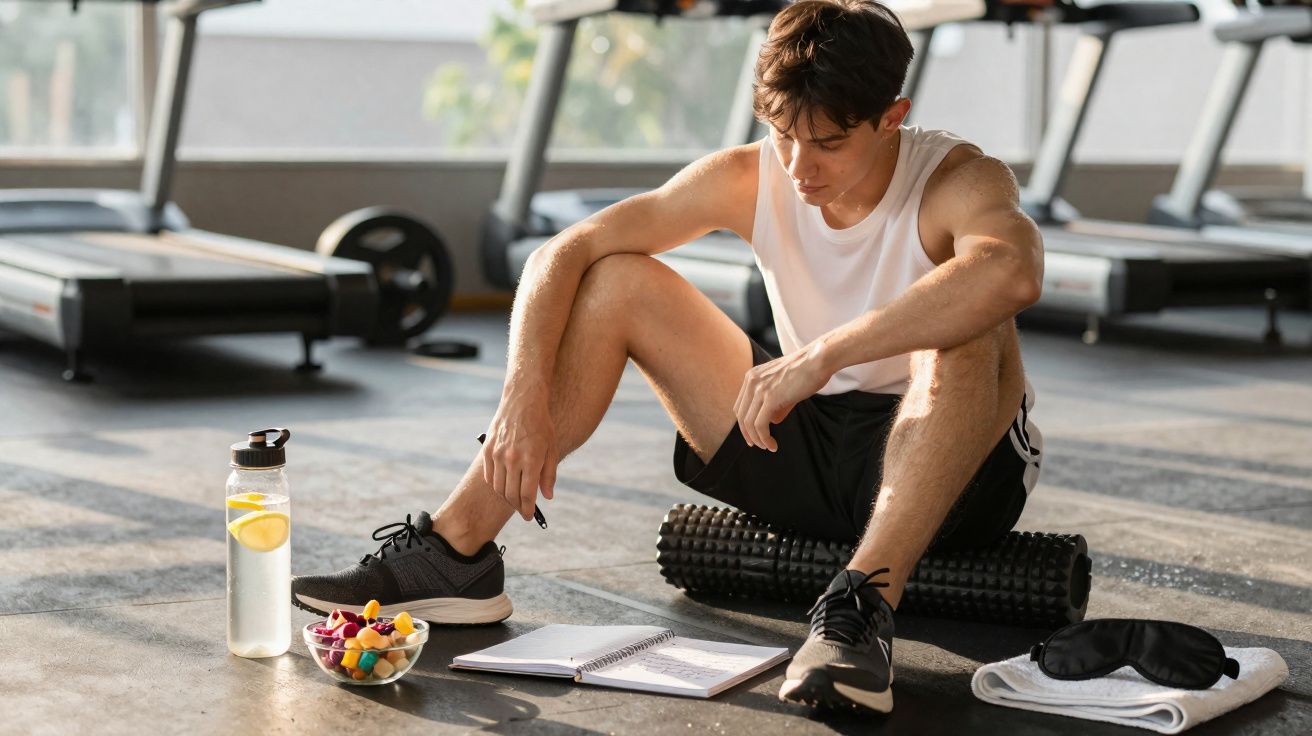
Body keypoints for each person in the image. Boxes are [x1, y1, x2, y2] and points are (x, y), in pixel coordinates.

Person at [293, 0, 1044, 714]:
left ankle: (859, 613)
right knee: (617, 277)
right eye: (784, 134)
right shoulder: (754, 174)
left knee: (973, 317)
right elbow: (567, 249)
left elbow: (1011, 272)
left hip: (954, 477)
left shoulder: (957, 179)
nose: (799, 167)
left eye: (828, 143)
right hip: (801, 446)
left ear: (892, 120)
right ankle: (454, 552)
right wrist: (519, 393)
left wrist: (821, 355)